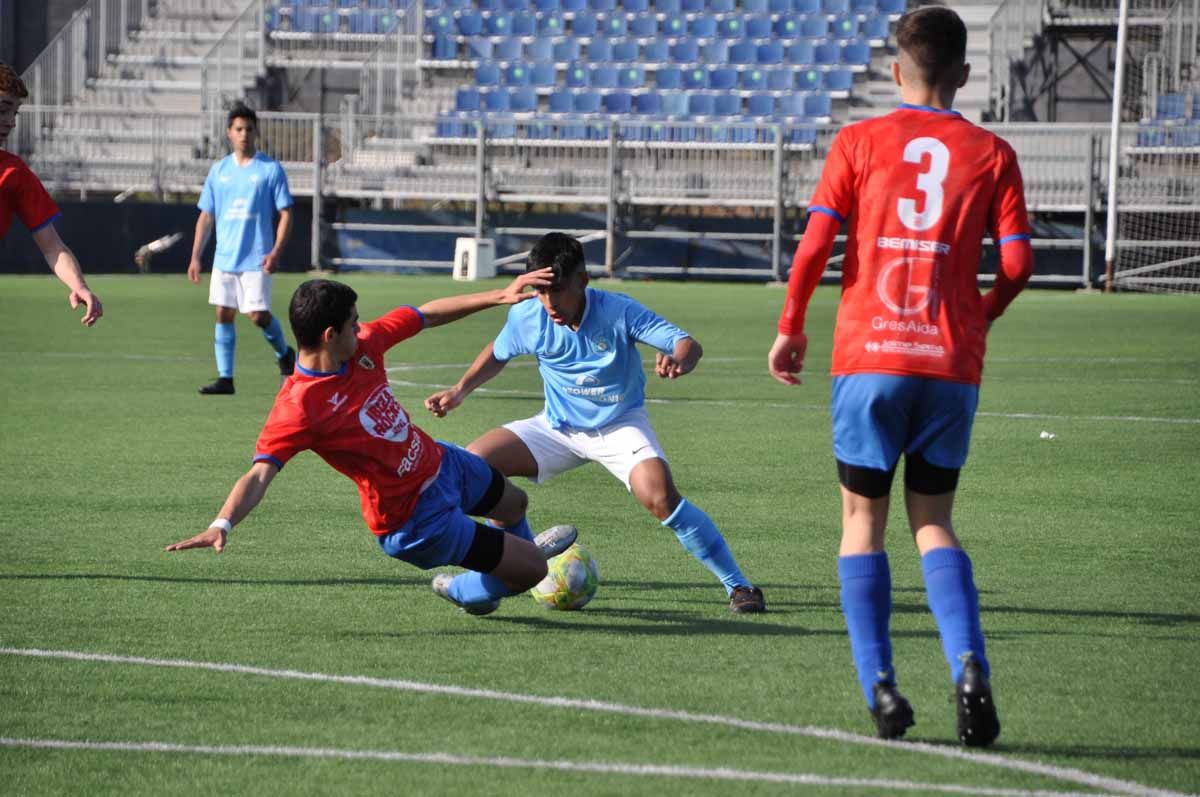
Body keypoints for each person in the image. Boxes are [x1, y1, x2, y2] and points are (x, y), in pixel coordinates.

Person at [767, 6, 1034, 745]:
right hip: (950, 361)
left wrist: (791, 327)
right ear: (966, 75)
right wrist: (982, 312)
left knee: (862, 522)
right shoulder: (992, 153)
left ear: (895, 71)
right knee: (934, 521)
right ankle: (970, 666)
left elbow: (815, 247)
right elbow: (1017, 265)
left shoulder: (858, 140)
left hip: (870, 356)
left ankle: (880, 686)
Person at [165, 271, 579, 617]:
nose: (362, 327)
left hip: (440, 463)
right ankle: (468, 588)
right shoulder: (298, 408)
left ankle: (508, 562)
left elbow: (423, 316)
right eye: (353, 322)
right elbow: (259, 474)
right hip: (413, 519)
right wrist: (221, 524)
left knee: (514, 503)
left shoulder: (362, 346)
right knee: (530, 570)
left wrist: (497, 296)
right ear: (330, 334)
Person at [425, 233, 766, 614]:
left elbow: (686, 343)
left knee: (659, 495)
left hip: (619, 424)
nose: (550, 303)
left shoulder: (618, 310)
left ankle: (738, 585)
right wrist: (459, 391)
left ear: (583, 280)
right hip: (556, 427)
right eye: (540, 292)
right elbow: (498, 351)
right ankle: (512, 564)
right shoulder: (528, 316)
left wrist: (681, 358)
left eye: (559, 290)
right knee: (475, 465)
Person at [188, 103, 295, 395]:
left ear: (255, 132)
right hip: (225, 258)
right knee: (223, 313)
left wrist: (275, 251)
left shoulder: (269, 170)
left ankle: (285, 353)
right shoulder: (219, 171)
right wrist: (196, 256)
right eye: (238, 129)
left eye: (249, 129)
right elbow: (206, 215)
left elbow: (286, 212)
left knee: (258, 315)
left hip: (256, 257)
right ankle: (226, 379)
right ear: (229, 133)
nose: (244, 134)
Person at [0, 63, 102, 326]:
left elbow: (53, 248)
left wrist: (79, 285)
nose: (10, 122)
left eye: (15, 113)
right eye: (3, 110)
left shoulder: (15, 173)